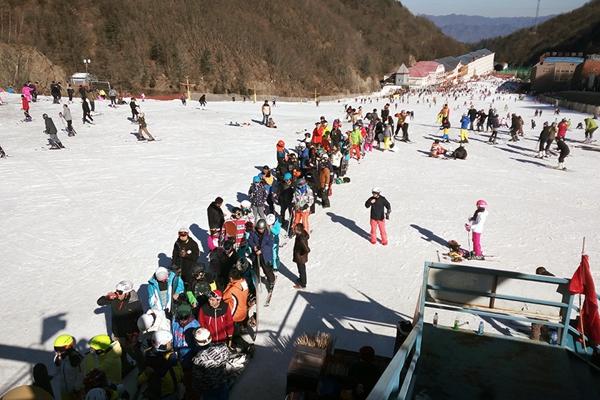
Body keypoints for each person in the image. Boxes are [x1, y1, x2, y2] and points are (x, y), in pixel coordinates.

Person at [96, 280, 143, 353]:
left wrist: (135, 335)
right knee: (120, 355)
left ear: (127, 293)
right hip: (118, 334)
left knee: (135, 353)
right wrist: (107, 297)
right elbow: (99, 302)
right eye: (116, 291)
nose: (117, 293)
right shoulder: (115, 298)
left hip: (130, 335)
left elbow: (140, 319)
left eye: (120, 292)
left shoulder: (135, 303)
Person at [191, 328, 233, 400]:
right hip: (223, 382)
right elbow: (228, 358)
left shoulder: (198, 360)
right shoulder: (222, 347)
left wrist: (197, 390)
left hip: (209, 389)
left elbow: (198, 379)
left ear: (197, 342)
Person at [248, 219, 276, 293]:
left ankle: (271, 281)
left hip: (264, 254)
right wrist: (253, 246)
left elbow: (270, 244)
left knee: (266, 269)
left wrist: (262, 250)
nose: (260, 230)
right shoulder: (253, 232)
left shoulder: (269, 234)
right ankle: (256, 282)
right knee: (255, 268)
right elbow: (250, 240)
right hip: (256, 253)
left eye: (262, 229)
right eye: (259, 229)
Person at [53, 334, 84, 400]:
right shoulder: (60, 357)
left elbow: (81, 375)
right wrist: (57, 362)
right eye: (56, 349)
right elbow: (57, 371)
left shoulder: (75, 358)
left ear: (68, 347)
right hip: (64, 391)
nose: (58, 352)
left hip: (75, 392)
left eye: (60, 349)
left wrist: (76, 389)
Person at [171, 303, 200, 368]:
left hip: (190, 353)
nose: (182, 320)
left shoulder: (195, 325)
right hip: (177, 352)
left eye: (185, 317)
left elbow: (198, 343)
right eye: (180, 317)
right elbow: (172, 335)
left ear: (190, 316)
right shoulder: (175, 322)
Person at [292, 223, 310, 289]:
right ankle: (302, 280)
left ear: (298, 230)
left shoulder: (301, 238)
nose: (294, 230)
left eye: (295, 229)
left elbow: (307, 249)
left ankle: (303, 284)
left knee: (302, 270)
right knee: (301, 270)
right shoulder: (302, 233)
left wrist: (300, 254)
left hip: (300, 258)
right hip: (301, 257)